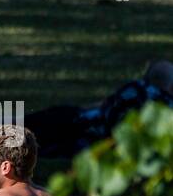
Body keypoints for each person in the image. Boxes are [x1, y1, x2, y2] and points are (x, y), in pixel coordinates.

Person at [26, 59, 173, 158]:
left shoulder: (136, 88)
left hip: (83, 124)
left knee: (33, 126)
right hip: (91, 132)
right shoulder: (165, 106)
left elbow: (106, 105)